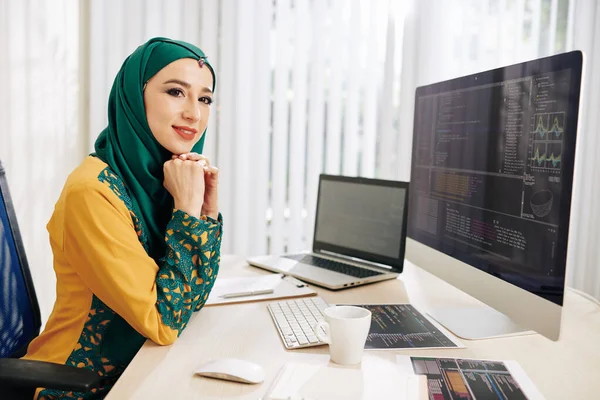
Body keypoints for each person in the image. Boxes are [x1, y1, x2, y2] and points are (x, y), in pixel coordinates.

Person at [22, 37, 222, 399]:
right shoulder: (93, 193)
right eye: (176, 92)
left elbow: (193, 299)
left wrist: (205, 212)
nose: (195, 113)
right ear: (134, 96)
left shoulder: (160, 184)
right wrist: (188, 214)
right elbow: (164, 322)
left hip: (142, 371)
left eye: (204, 98)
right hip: (78, 386)